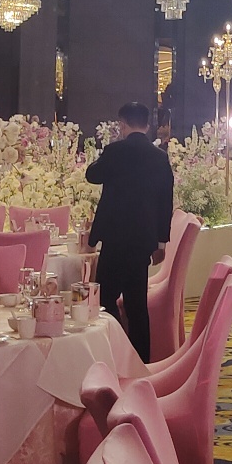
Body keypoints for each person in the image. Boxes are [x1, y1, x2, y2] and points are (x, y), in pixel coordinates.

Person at [85, 102, 174, 361]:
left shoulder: (115, 151)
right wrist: (161, 242)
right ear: (147, 125)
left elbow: (92, 175)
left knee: (105, 300)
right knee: (137, 306)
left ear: (122, 125)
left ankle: (112, 352)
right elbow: (165, 201)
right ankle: (140, 360)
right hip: (142, 240)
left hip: (114, 237)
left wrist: (106, 155)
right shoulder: (159, 157)